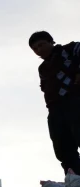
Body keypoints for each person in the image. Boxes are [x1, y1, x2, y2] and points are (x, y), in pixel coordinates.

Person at [29, 31, 80, 175]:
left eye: (41, 45)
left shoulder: (70, 50)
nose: (39, 50)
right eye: (35, 49)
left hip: (75, 101)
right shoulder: (42, 68)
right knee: (63, 149)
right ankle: (75, 180)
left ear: (51, 42)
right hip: (55, 109)